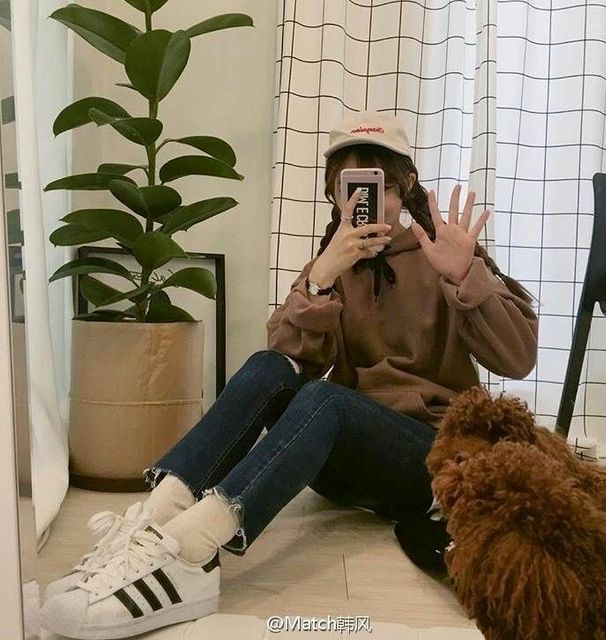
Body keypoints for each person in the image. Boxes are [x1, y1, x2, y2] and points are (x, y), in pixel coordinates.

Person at [42, 111, 538, 639]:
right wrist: (321, 278)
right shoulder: (334, 262)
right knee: (269, 367)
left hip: (427, 460)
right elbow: (283, 363)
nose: (368, 202)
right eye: (352, 188)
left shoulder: (444, 253)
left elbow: (518, 358)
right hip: (343, 464)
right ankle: (152, 524)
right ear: (335, 195)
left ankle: (191, 551)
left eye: (383, 187)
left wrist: (465, 276)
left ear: (408, 185)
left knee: (327, 401)